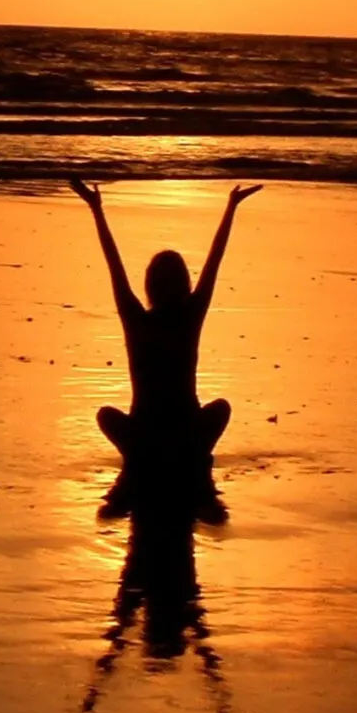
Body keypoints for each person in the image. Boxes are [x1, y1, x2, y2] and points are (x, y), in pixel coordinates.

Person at [68, 179, 263, 490]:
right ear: (184, 284)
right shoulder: (188, 315)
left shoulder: (140, 318)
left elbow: (114, 265)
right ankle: (179, 455)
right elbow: (214, 262)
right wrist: (230, 208)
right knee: (220, 408)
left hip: (147, 436)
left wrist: (97, 210)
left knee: (107, 415)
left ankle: (151, 456)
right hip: (184, 434)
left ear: (150, 285)